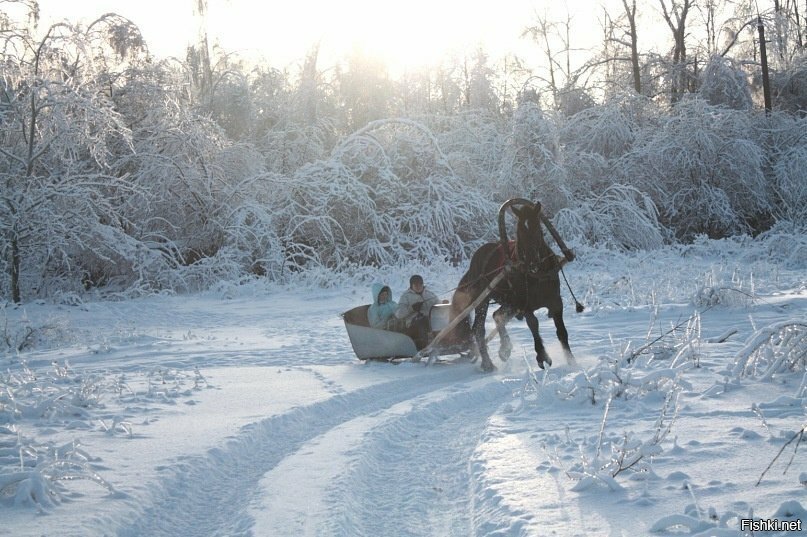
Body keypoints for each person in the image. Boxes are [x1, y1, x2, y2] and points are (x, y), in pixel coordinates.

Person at [395, 275, 439, 349]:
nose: (418, 286)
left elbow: (438, 304)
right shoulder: (406, 296)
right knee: (422, 321)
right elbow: (398, 314)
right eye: (416, 285)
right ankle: (425, 347)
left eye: (420, 284)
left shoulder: (429, 294)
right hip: (413, 324)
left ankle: (448, 341)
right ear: (411, 285)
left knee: (443, 319)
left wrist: (443, 303)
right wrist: (411, 308)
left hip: (431, 320)